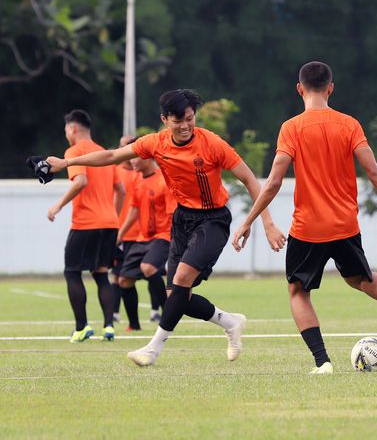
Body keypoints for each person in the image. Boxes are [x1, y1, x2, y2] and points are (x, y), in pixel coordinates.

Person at [46, 89, 286, 366]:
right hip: (182, 220)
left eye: (190, 118)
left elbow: (251, 180)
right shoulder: (155, 143)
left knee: (181, 279)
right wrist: (66, 162)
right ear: (164, 119)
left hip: (213, 220)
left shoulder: (212, 143)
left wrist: (265, 223)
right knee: (176, 296)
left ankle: (152, 349)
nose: (185, 126)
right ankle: (230, 322)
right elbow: (111, 156)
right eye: (177, 120)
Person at [232, 61, 377, 374]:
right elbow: (373, 172)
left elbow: (274, 181)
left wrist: (249, 221)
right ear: (330, 87)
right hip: (345, 224)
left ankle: (323, 362)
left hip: (308, 228)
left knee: (298, 291)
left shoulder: (291, 127)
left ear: (299, 89)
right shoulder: (349, 124)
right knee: (362, 278)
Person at [47, 110, 125, 342]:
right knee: (101, 274)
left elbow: (81, 181)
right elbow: (120, 191)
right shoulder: (103, 153)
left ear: (72, 129)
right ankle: (109, 326)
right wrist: (114, 215)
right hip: (109, 223)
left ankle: (81, 327)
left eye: (66, 131)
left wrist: (58, 205)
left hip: (86, 223)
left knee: (72, 272)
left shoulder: (73, 152)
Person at [115, 155, 176, 331]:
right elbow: (134, 209)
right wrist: (121, 233)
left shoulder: (164, 180)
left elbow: (173, 213)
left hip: (163, 236)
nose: (132, 162)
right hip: (142, 238)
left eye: (135, 158)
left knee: (148, 267)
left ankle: (169, 314)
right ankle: (134, 325)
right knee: (124, 281)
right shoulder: (137, 179)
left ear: (148, 159)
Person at [111, 135, 142, 324]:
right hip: (120, 233)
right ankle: (115, 314)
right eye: (123, 147)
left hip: (141, 235)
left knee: (152, 273)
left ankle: (159, 311)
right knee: (117, 276)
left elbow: (136, 208)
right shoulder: (115, 171)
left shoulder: (143, 173)